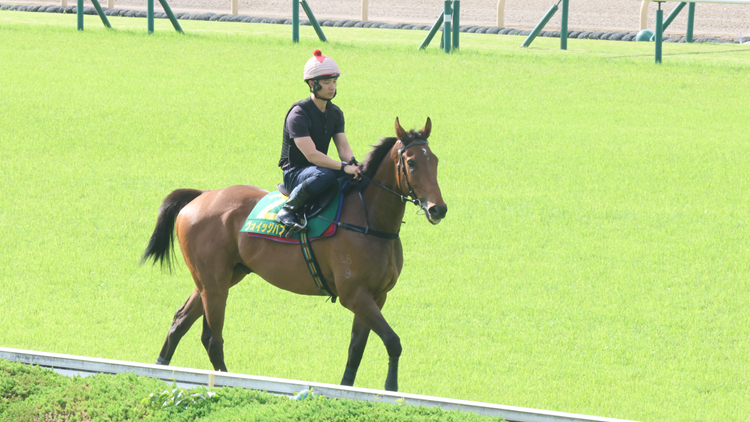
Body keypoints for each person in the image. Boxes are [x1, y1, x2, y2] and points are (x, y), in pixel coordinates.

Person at [276, 49, 362, 233]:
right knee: (327, 175)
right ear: (312, 84)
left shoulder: (335, 112)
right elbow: (312, 155)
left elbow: (343, 148)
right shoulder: (298, 114)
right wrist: (342, 167)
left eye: (334, 81)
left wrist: (354, 165)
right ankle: (287, 210)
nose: (332, 87)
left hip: (318, 169)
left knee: (354, 176)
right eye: (326, 82)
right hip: (295, 172)